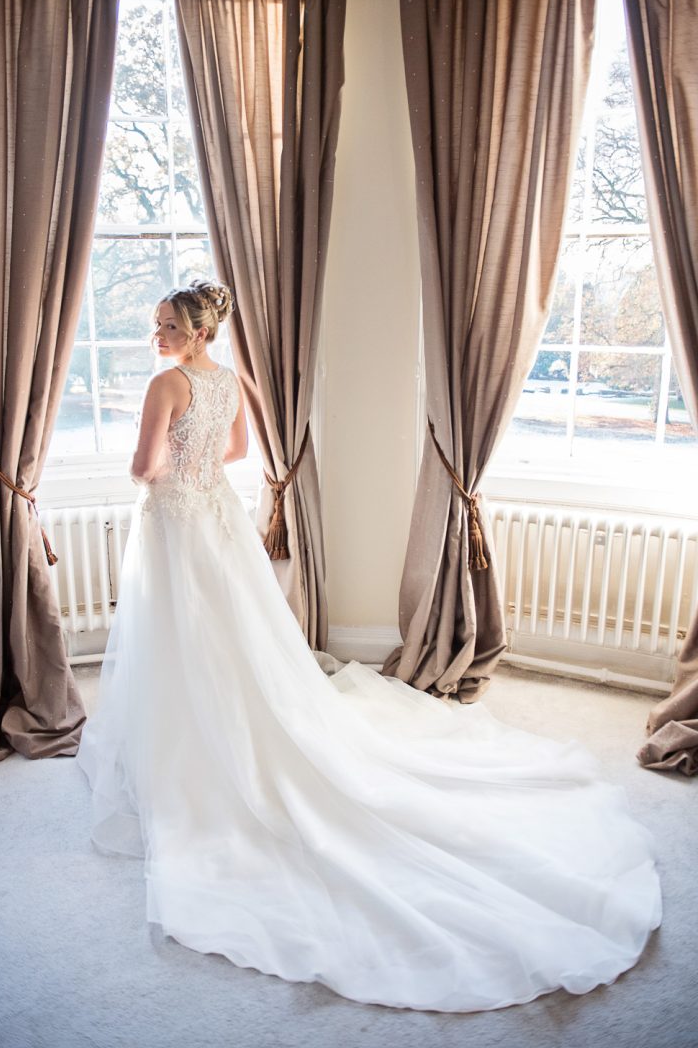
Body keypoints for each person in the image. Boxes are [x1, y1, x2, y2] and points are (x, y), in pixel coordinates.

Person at [77, 281, 661, 1013]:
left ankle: (187, 754)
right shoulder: (229, 379)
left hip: (175, 523)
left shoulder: (167, 383)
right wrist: (196, 475)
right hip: (216, 522)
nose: (155, 334)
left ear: (196, 334)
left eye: (166, 325)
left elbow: (140, 468)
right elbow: (237, 449)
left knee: (184, 637)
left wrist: (169, 475)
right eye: (156, 324)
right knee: (232, 636)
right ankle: (225, 730)